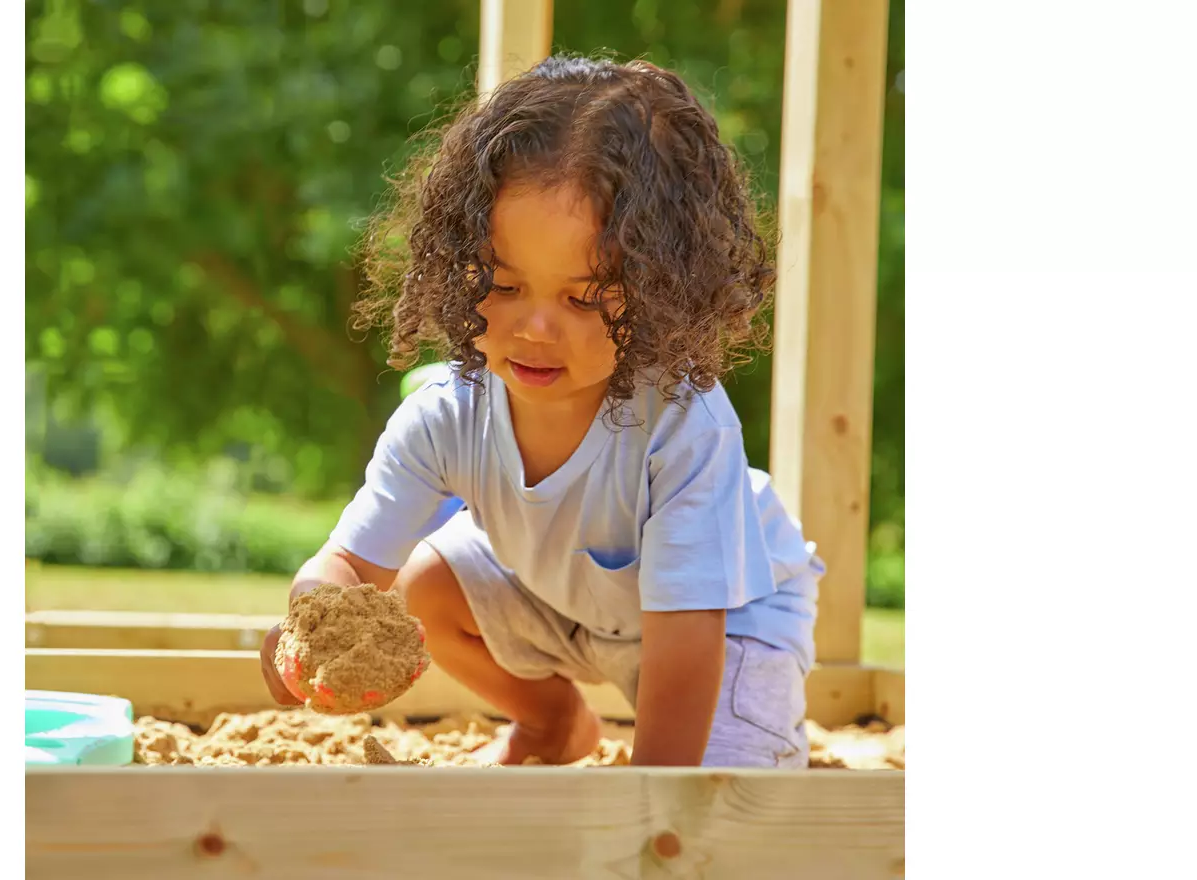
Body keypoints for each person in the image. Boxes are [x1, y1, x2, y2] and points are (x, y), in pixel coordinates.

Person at [259, 54, 823, 768]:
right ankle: (553, 723)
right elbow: (347, 564)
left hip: (730, 622)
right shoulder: (448, 414)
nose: (534, 328)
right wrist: (311, 626)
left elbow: (687, 639)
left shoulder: (684, 424)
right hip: (572, 608)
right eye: (503, 285)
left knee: (725, 793)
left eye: (583, 298)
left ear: (664, 290)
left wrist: (654, 800)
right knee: (425, 585)